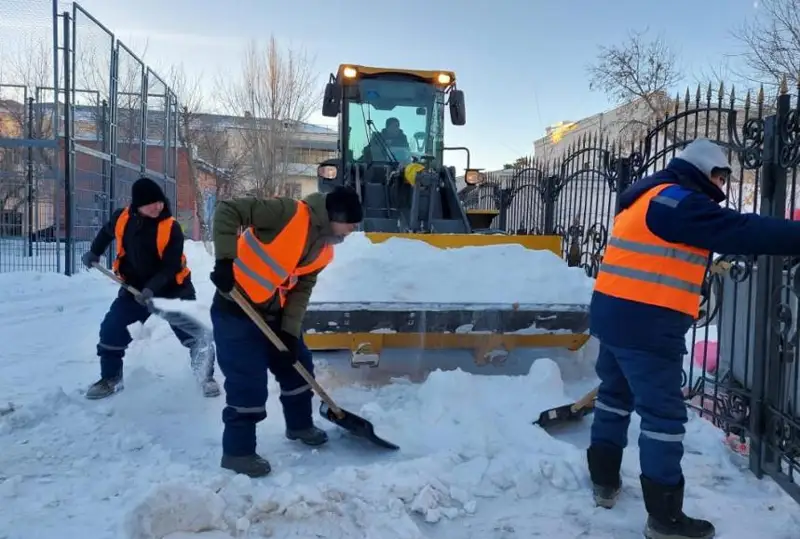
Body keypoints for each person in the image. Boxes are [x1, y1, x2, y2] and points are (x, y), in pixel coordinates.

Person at [586, 138, 800, 539]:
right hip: (647, 325)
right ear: (704, 170)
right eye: (720, 176)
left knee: (614, 398)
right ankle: (665, 519)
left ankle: (603, 481)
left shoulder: (645, 197)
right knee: (663, 418)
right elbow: (738, 229)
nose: (721, 185)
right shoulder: (676, 201)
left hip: (612, 315)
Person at [209, 186, 363, 478]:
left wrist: (290, 333)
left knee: (297, 365)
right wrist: (225, 262)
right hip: (236, 310)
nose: (354, 228)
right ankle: (238, 453)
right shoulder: (287, 213)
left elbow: (301, 291)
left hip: (274, 315)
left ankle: (299, 425)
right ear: (335, 215)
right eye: (351, 222)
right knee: (247, 382)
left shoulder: (324, 251)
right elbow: (229, 209)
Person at [81, 177, 220, 400]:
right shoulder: (122, 217)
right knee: (112, 329)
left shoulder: (171, 227)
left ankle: (206, 376)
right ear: (138, 205)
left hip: (174, 289)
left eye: (159, 202)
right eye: (150, 203)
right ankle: (111, 378)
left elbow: (171, 266)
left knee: (195, 335)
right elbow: (106, 233)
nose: (157, 207)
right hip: (134, 288)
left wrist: (152, 289)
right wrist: (94, 252)